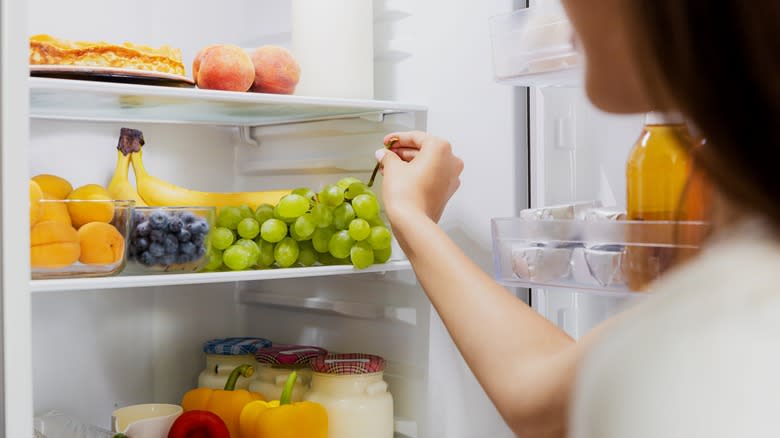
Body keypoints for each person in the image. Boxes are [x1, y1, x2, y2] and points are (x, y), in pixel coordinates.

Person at [374, 1, 780, 437]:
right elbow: (543, 400)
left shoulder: (739, 306)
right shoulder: (742, 270)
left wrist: (411, 217)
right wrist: (412, 218)